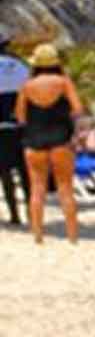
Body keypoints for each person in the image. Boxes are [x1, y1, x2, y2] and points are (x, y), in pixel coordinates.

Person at [15, 44, 82, 244]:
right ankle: (72, 237)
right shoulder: (63, 82)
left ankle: (38, 237)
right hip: (60, 137)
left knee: (37, 188)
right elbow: (77, 108)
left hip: (34, 138)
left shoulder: (27, 86)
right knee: (65, 188)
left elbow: (20, 117)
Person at [0, 36, 27, 226]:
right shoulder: (20, 66)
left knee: (5, 173)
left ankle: (14, 214)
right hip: (20, 126)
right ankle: (33, 213)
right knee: (24, 171)